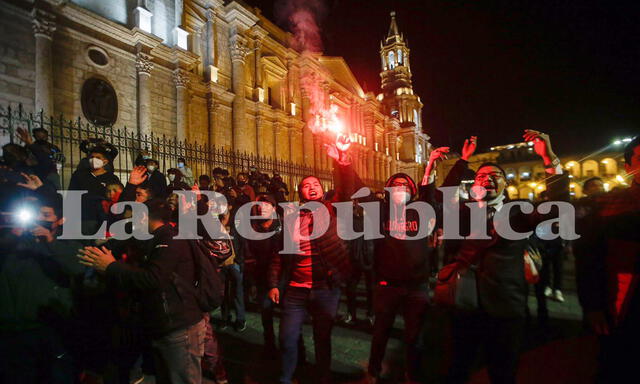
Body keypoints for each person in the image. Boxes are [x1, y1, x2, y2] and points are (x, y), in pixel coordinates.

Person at [426, 131, 568, 384]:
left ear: (506, 184)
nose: (487, 180)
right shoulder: (462, 214)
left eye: (495, 176)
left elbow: (558, 209)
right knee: (457, 369)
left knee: (502, 373)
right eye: (481, 177)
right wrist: (463, 162)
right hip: (463, 306)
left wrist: (549, 158)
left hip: (506, 310)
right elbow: (442, 197)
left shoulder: (519, 212)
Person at [79, 199, 208, 384]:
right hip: (166, 323)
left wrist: (112, 267)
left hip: (180, 327)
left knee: (182, 378)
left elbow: (153, 278)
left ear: (145, 217)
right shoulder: (154, 237)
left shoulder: (168, 239)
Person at [268, 135, 353, 384]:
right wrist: (274, 283)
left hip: (325, 288)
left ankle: (323, 377)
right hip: (295, 290)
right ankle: (287, 377)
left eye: (316, 183)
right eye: (306, 185)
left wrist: (342, 159)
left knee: (322, 338)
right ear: (301, 192)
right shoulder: (292, 217)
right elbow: (279, 254)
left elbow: (347, 189)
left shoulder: (332, 208)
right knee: (287, 337)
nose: (312, 186)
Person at [0, 187, 84, 384]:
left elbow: (78, 268)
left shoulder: (65, 244)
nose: (38, 218)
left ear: (60, 220)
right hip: (11, 333)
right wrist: (11, 234)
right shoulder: (12, 244)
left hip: (50, 331)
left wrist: (50, 242)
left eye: (45, 214)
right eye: (35, 213)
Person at [576, 135, 640, 383]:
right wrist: (592, 305)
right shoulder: (609, 204)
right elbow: (588, 257)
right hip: (622, 303)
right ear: (629, 167)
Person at [68, 145, 120, 232]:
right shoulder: (79, 175)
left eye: (98, 157)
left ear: (105, 162)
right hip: (83, 218)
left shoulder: (112, 178)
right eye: (92, 157)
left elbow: (115, 198)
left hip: (103, 219)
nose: (94, 159)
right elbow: (71, 195)